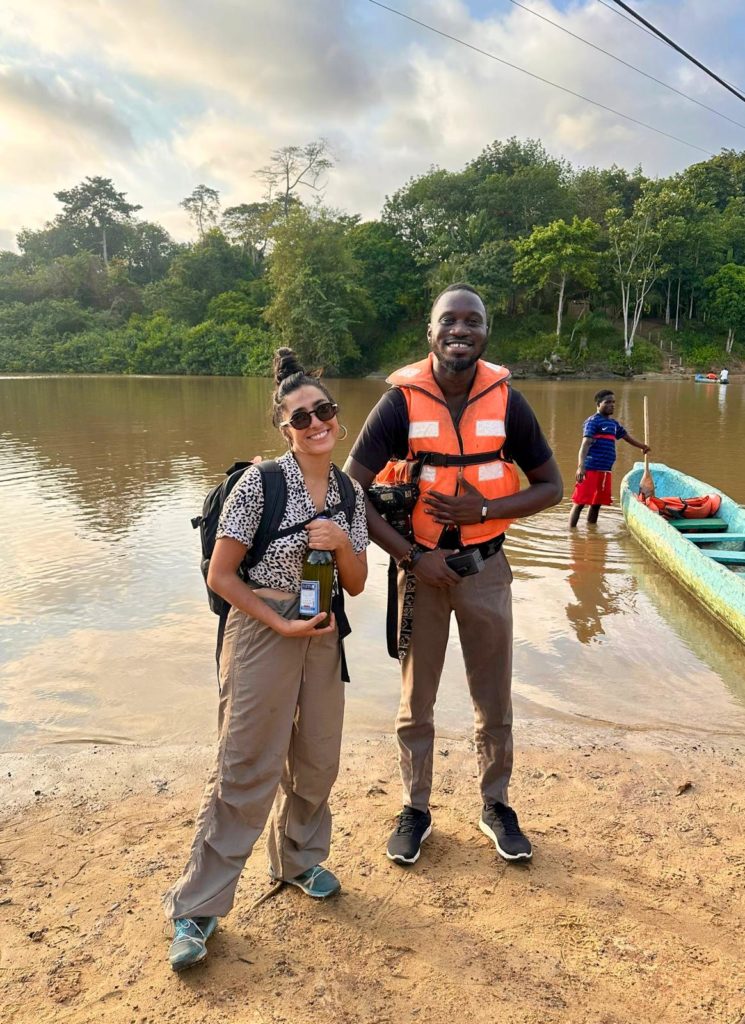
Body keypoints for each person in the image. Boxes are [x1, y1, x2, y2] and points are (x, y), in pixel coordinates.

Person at [163, 348, 368, 972]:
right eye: (301, 417)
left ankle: (300, 859)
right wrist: (279, 619)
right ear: (285, 428)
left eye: (324, 412)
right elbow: (222, 575)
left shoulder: (349, 492)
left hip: (324, 623)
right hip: (261, 627)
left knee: (318, 757)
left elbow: (356, 581)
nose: (316, 424)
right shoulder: (260, 484)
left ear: (337, 417)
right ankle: (197, 908)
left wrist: (337, 542)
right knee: (245, 765)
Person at [345, 284, 562, 867]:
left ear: (486, 332)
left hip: (486, 570)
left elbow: (551, 487)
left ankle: (496, 804)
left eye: (473, 321)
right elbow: (349, 492)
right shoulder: (398, 404)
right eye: (449, 320)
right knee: (416, 701)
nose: (460, 330)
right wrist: (414, 557)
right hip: (421, 573)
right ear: (431, 331)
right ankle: (415, 808)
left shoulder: (509, 401)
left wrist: (485, 510)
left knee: (494, 699)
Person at [568, 389, 650, 528]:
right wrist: (581, 466)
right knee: (580, 502)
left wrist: (642, 446)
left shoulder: (613, 424)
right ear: (599, 404)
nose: (612, 405)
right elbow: (585, 444)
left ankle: (591, 529)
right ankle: (572, 532)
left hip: (606, 470)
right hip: (591, 468)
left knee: (596, 503)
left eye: (613, 402)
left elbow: (626, 437)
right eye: (608, 402)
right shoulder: (593, 422)